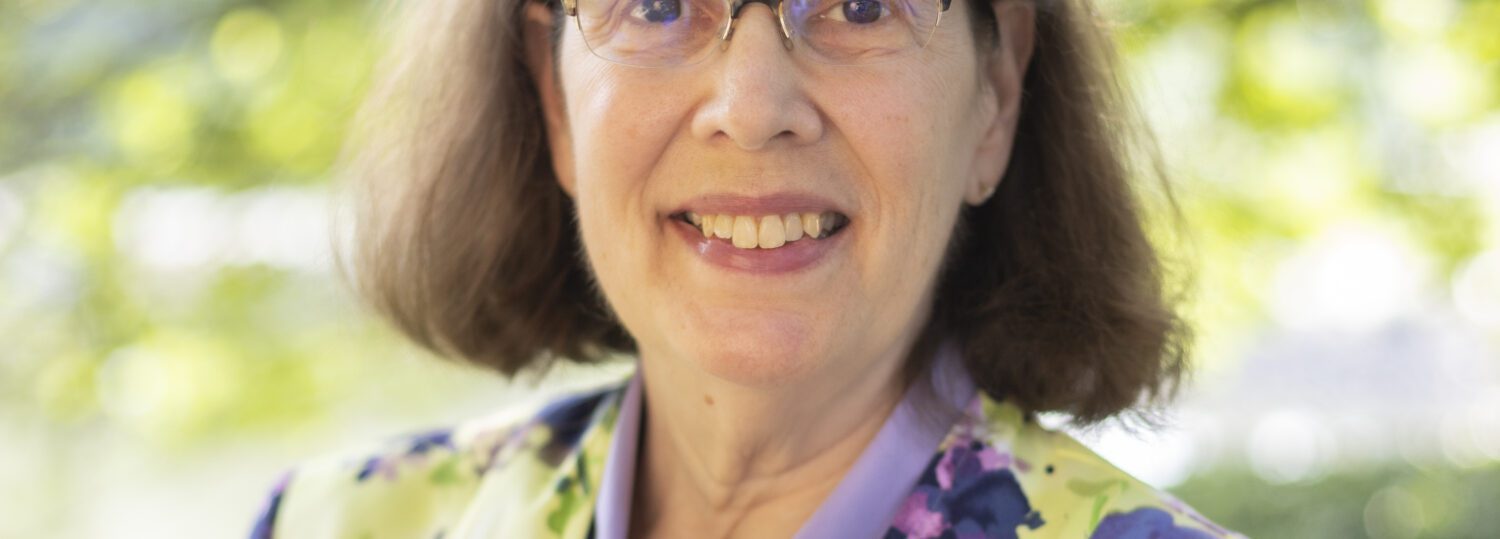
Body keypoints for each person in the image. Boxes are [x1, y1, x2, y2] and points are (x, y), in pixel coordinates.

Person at [251, 0, 1244, 536]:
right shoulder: (333, 524)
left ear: (995, 88)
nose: (752, 102)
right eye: (656, 6)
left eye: (858, 6)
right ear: (553, 98)